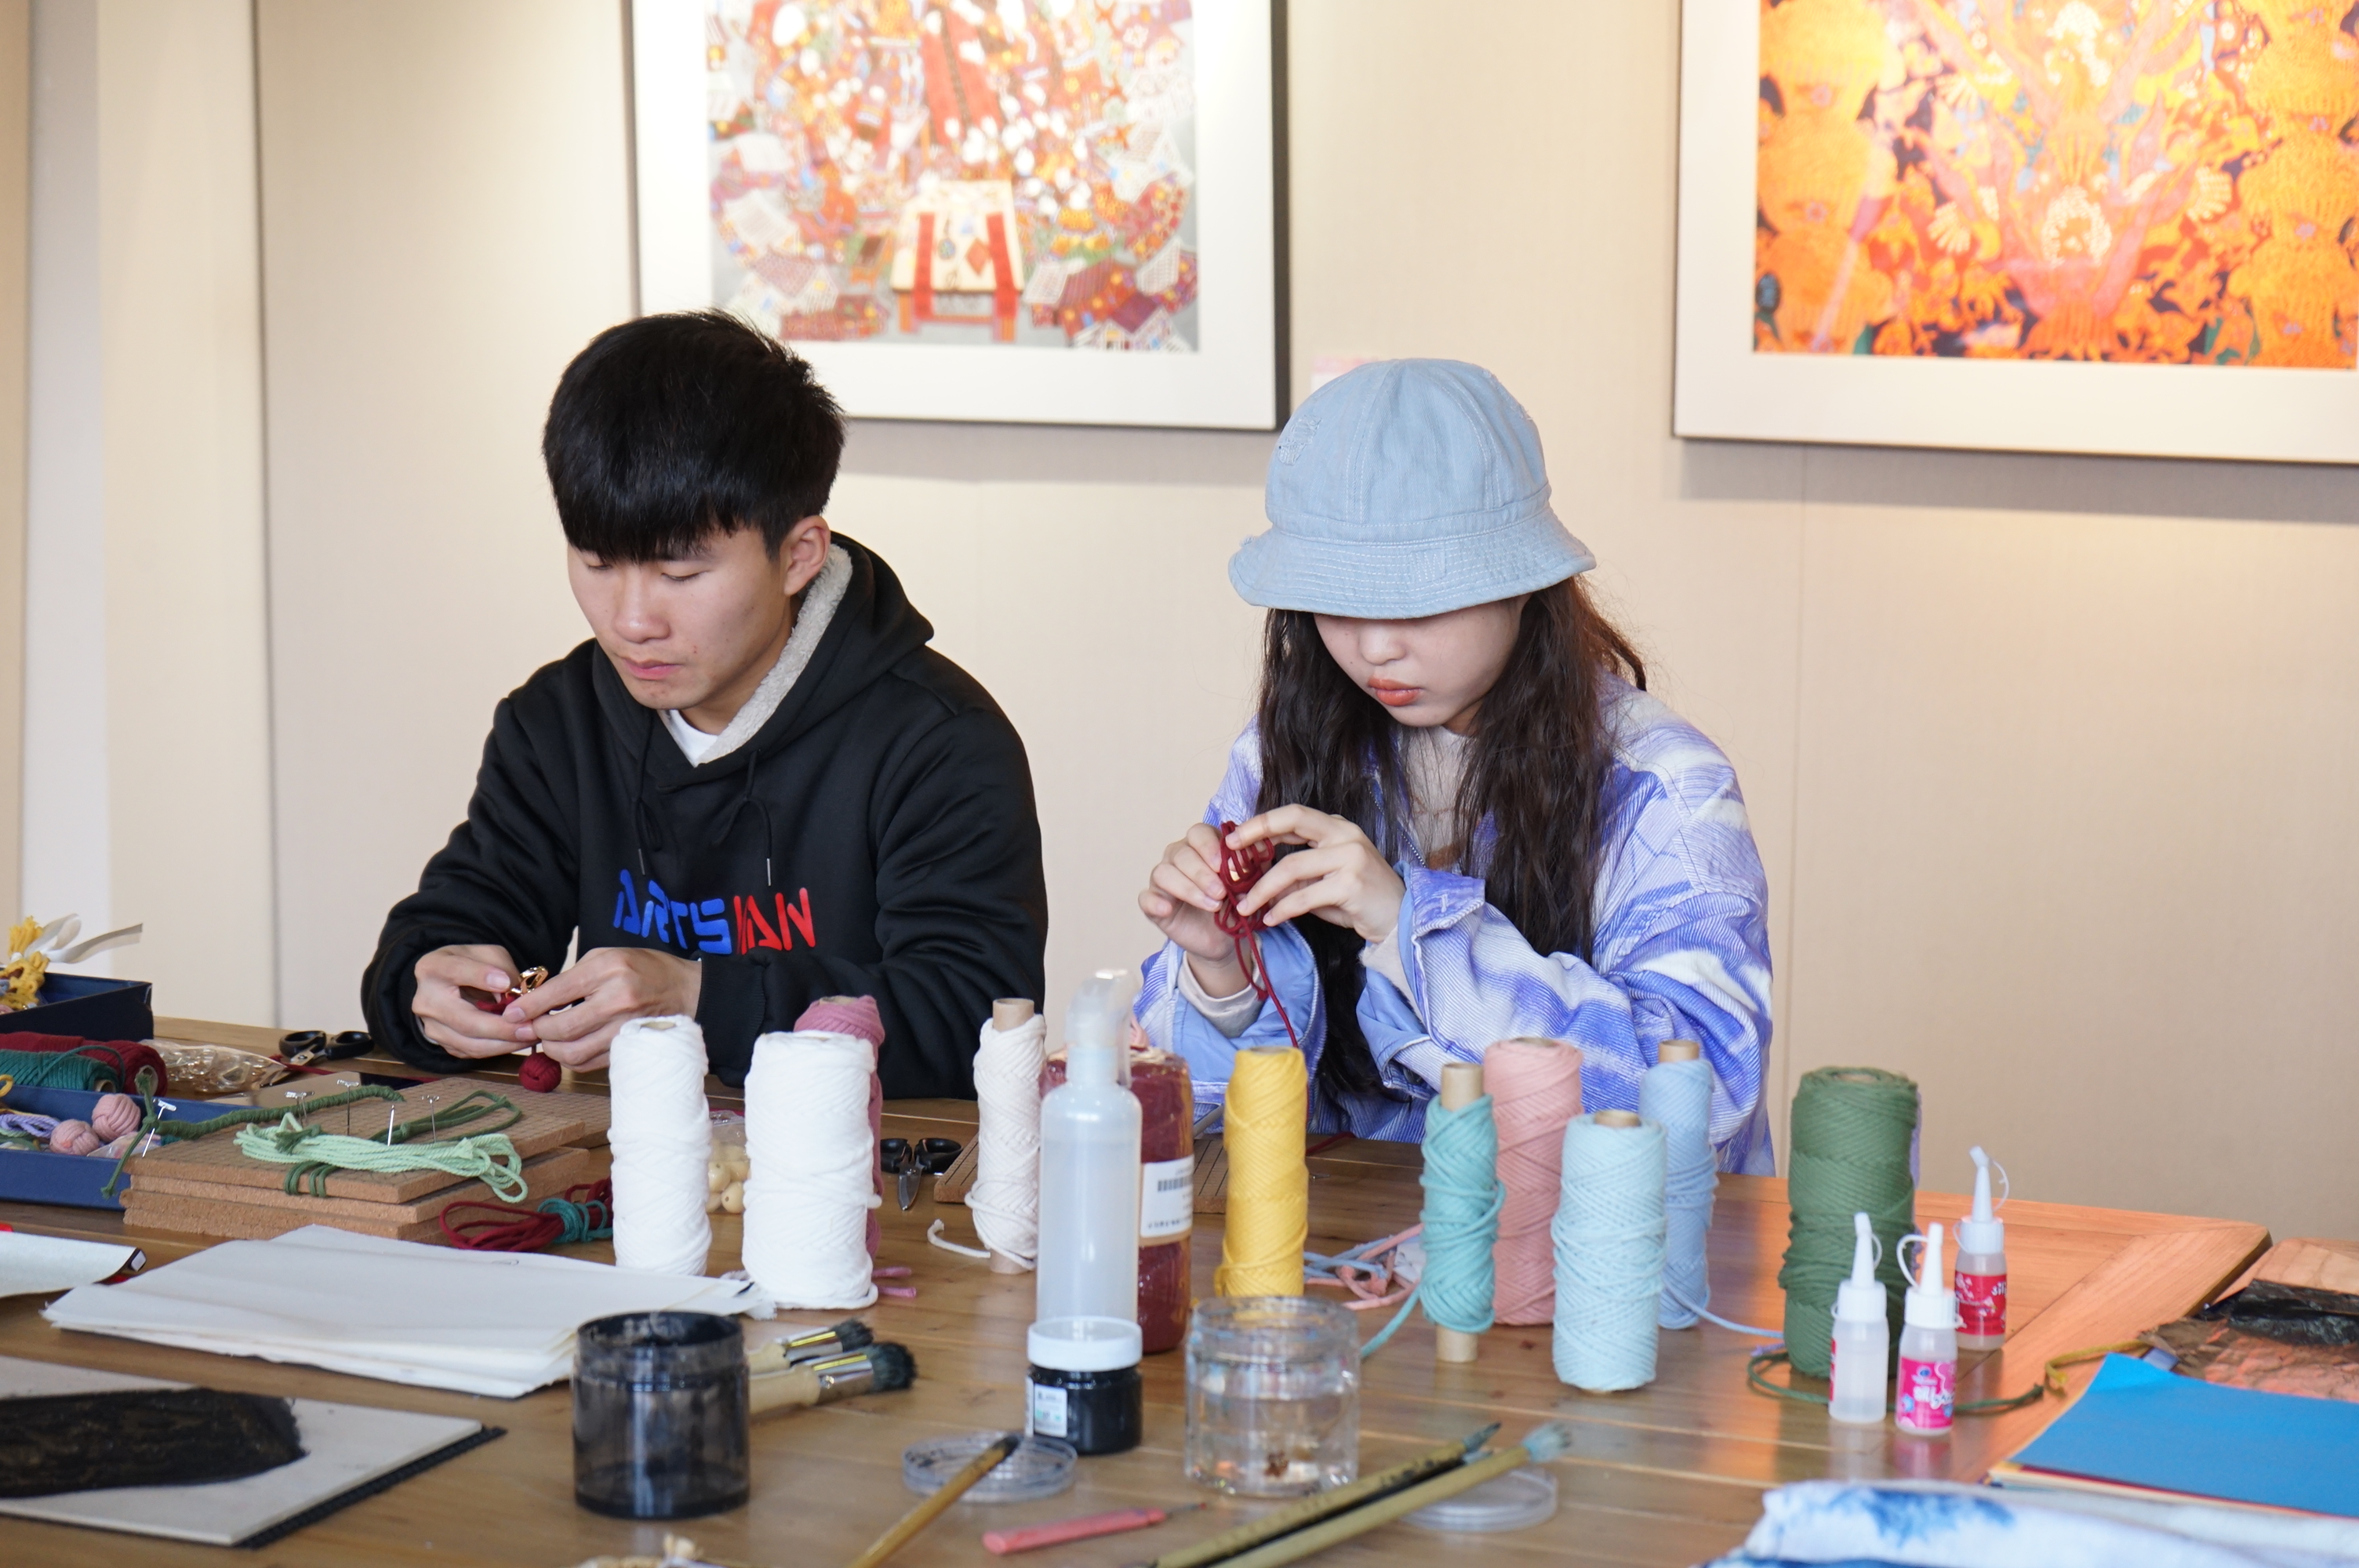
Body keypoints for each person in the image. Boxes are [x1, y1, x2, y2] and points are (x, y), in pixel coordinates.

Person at [362, 310, 1046, 1094]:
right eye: (597, 563)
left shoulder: (938, 740)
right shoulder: (558, 721)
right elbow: (455, 925)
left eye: (680, 575)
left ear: (799, 555)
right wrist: (430, 989)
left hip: (860, 1160)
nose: (631, 621)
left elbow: (975, 1014)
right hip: (625, 1153)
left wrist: (701, 996)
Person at [1134, 360, 1773, 1170]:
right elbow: (1200, 1114)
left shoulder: (1664, 786)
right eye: (1337, 600)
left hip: (1589, 1238)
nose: (1375, 646)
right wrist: (1219, 972)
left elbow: (1701, 1093)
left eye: (1419, 600)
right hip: (1351, 1232)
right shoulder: (1288, 746)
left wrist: (1412, 928)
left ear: (1524, 584)